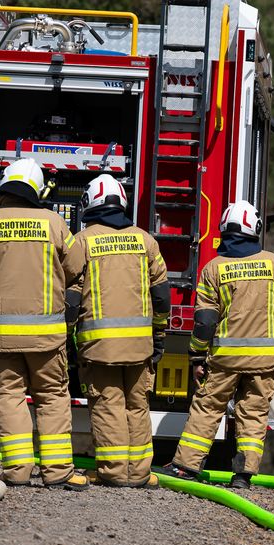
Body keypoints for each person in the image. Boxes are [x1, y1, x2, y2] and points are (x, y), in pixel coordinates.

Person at [0, 158, 87, 490]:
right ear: (36, 190)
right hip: (47, 338)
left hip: (0, 338)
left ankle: (17, 470)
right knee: (52, 396)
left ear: (4, 188)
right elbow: (77, 267)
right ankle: (57, 473)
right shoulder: (54, 223)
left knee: (9, 396)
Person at [156, 201, 274, 490]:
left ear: (223, 229)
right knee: (254, 413)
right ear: (255, 229)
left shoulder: (214, 269)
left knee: (208, 408)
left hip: (225, 360)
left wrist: (196, 354)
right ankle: (243, 475)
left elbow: (206, 322)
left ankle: (186, 467)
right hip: (265, 359)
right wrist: (267, 323)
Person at [68, 174, 169, 488]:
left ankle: (112, 471)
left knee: (108, 403)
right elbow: (162, 296)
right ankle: (139, 473)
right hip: (140, 346)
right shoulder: (145, 240)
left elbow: (71, 295)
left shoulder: (83, 241)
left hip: (100, 347)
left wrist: (63, 333)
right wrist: (160, 336)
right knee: (137, 405)